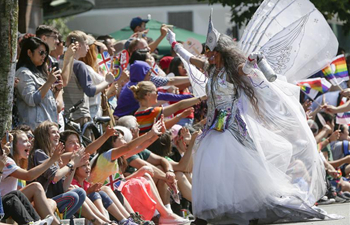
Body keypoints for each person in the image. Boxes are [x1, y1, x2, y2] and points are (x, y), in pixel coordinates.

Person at [165, 13, 327, 224]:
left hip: (232, 127)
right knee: (209, 167)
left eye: (214, 53)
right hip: (213, 126)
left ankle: (252, 210)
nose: (210, 56)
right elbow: (187, 57)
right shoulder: (209, 69)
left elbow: (248, 69)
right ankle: (205, 215)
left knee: (240, 169)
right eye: (208, 52)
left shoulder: (234, 71)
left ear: (223, 52)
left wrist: (252, 62)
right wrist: (174, 42)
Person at [15, 36, 63, 130]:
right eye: (41, 52)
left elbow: (47, 101)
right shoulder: (23, 73)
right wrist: (49, 82)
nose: (44, 56)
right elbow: (32, 100)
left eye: (45, 53)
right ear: (29, 52)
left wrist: (57, 89)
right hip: (34, 130)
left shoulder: (40, 73)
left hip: (47, 129)